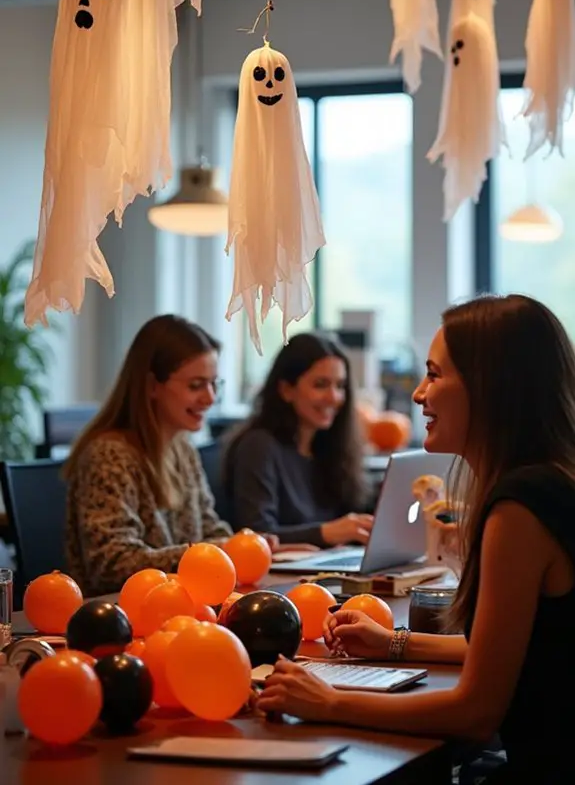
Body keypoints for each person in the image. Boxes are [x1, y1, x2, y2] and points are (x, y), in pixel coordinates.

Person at [258, 295, 575, 783]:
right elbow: (512, 647)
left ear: (490, 388)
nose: (419, 393)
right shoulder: (552, 480)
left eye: (435, 374)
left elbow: (475, 712)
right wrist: (395, 644)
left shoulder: (520, 506)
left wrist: (329, 702)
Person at [64, 315, 233, 596]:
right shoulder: (108, 455)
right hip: (119, 618)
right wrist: (217, 552)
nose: (210, 397)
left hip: (178, 609)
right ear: (152, 385)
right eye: (196, 385)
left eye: (214, 384)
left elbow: (209, 528)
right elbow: (112, 564)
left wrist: (247, 547)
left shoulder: (183, 446)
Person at [224, 332, 373, 547]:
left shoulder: (328, 447)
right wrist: (326, 533)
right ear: (286, 390)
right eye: (321, 384)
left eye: (340, 386)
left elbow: (356, 507)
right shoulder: (258, 446)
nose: (334, 397)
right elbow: (258, 535)